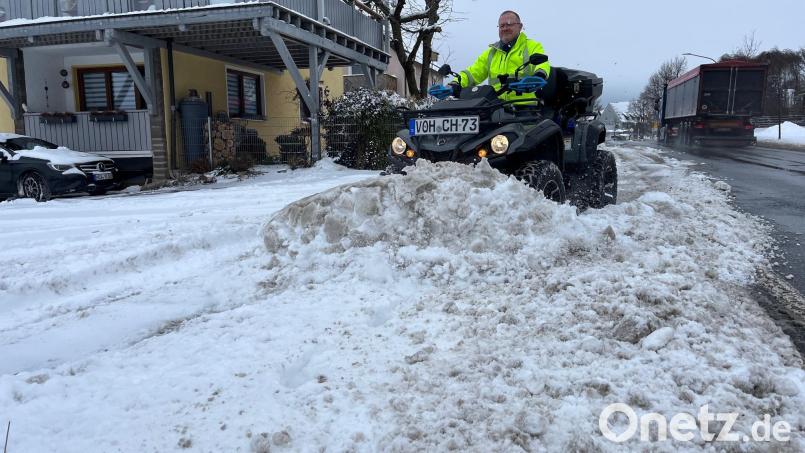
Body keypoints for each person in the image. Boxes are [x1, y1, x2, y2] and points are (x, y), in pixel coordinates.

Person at [453, 10, 551, 103]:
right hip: (494, 106)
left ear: (520, 27)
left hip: (523, 105)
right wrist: (455, 83)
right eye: (501, 26)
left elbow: (542, 64)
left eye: (509, 24)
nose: (504, 28)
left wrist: (539, 74)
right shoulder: (491, 53)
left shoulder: (532, 46)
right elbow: (472, 73)